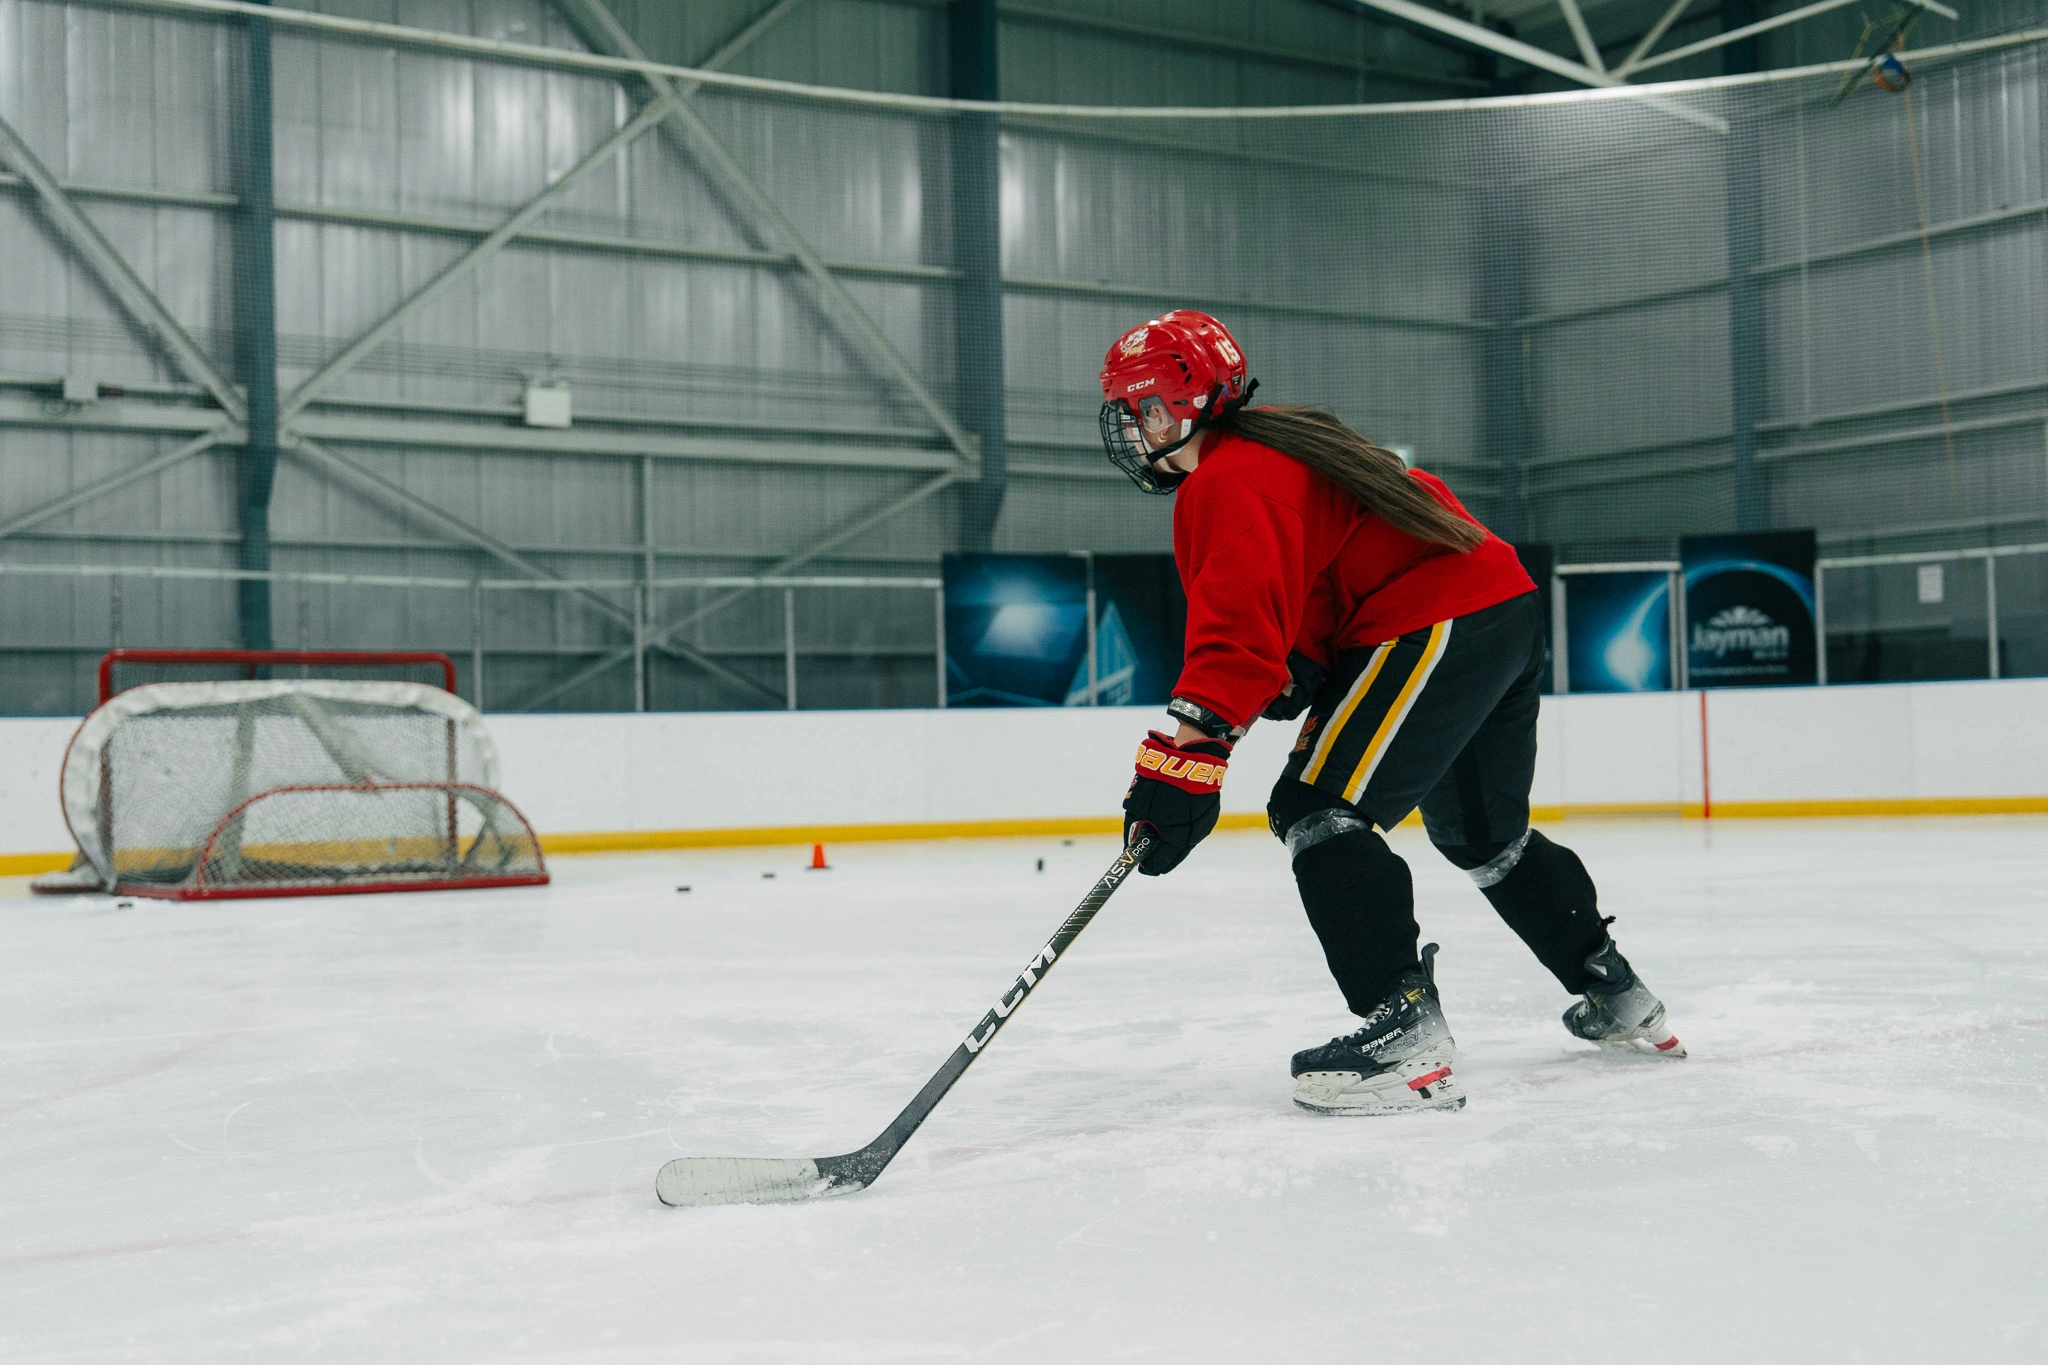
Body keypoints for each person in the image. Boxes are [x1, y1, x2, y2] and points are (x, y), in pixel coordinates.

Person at [1101, 311, 1684, 1116]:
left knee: (1316, 807)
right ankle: (1614, 990)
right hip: (1496, 608)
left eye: (1148, 408)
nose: (1137, 429)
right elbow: (1324, 577)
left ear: (1195, 400)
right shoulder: (1285, 442)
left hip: (1435, 617)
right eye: (1130, 413)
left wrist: (1183, 763)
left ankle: (1401, 1029)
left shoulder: (1226, 480)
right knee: (1484, 836)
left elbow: (1234, 636)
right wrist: (1304, 661)